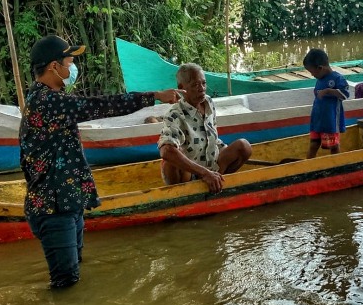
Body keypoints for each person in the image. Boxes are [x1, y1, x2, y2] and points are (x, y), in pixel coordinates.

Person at [19, 35, 180, 289]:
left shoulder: (49, 98)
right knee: (65, 285)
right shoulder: (46, 102)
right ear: (53, 66)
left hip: (68, 201)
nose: (72, 68)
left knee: (75, 277)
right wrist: (155, 96)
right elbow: (101, 105)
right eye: (69, 63)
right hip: (53, 207)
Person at [158, 63, 252, 194]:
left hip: (212, 165)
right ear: (182, 88)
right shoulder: (175, 114)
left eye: (203, 83)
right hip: (189, 173)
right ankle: (189, 191)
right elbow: (166, 151)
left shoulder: (208, 102)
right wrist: (204, 173)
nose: (202, 89)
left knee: (244, 146)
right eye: (196, 85)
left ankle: (216, 182)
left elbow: (213, 138)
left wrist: (222, 151)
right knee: (170, 163)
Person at [303, 48, 350, 159]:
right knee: (314, 144)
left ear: (320, 68)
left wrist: (329, 91)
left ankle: (336, 165)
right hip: (317, 119)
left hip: (330, 120)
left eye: (312, 72)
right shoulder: (320, 78)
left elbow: (345, 94)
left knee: (333, 145)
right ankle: (308, 167)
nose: (312, 75)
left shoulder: (337, 78)